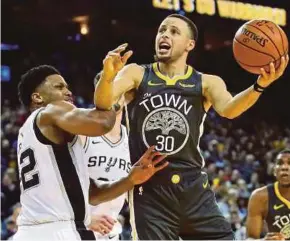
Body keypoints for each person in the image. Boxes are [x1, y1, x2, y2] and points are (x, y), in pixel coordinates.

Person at [94, 14, 289, 240]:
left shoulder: (206, 82)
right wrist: (107, 77)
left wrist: (259, 85)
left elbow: (229, 109)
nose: (164, 35)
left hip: (193, 187)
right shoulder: (137, 73)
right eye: (162, 30)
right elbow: (103, 102)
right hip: (150, 188)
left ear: (190, 44)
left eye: (174, 31)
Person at [13, 44, 168, 241]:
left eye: (67, 87)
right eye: (59, 87)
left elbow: (92, 193)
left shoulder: (29, 132)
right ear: (37, 97)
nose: (68, 92)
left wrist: (130, 179)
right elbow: (102, 123)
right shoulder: (51, 111)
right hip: (59, 230)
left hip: (31, 231)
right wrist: (110, 83)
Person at [85, 73, 131, 240]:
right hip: (78, 230)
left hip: (110, 234)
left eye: (116, 91)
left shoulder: (133, 142)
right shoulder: (82, 133)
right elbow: (58, 183)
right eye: (104, 92)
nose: (111, 98)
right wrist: (84, 219)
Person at [246, 149, 290, 240]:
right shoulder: (260, 197)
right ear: (274, 171)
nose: (284, 167)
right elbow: (250, 238)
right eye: (280, 163)